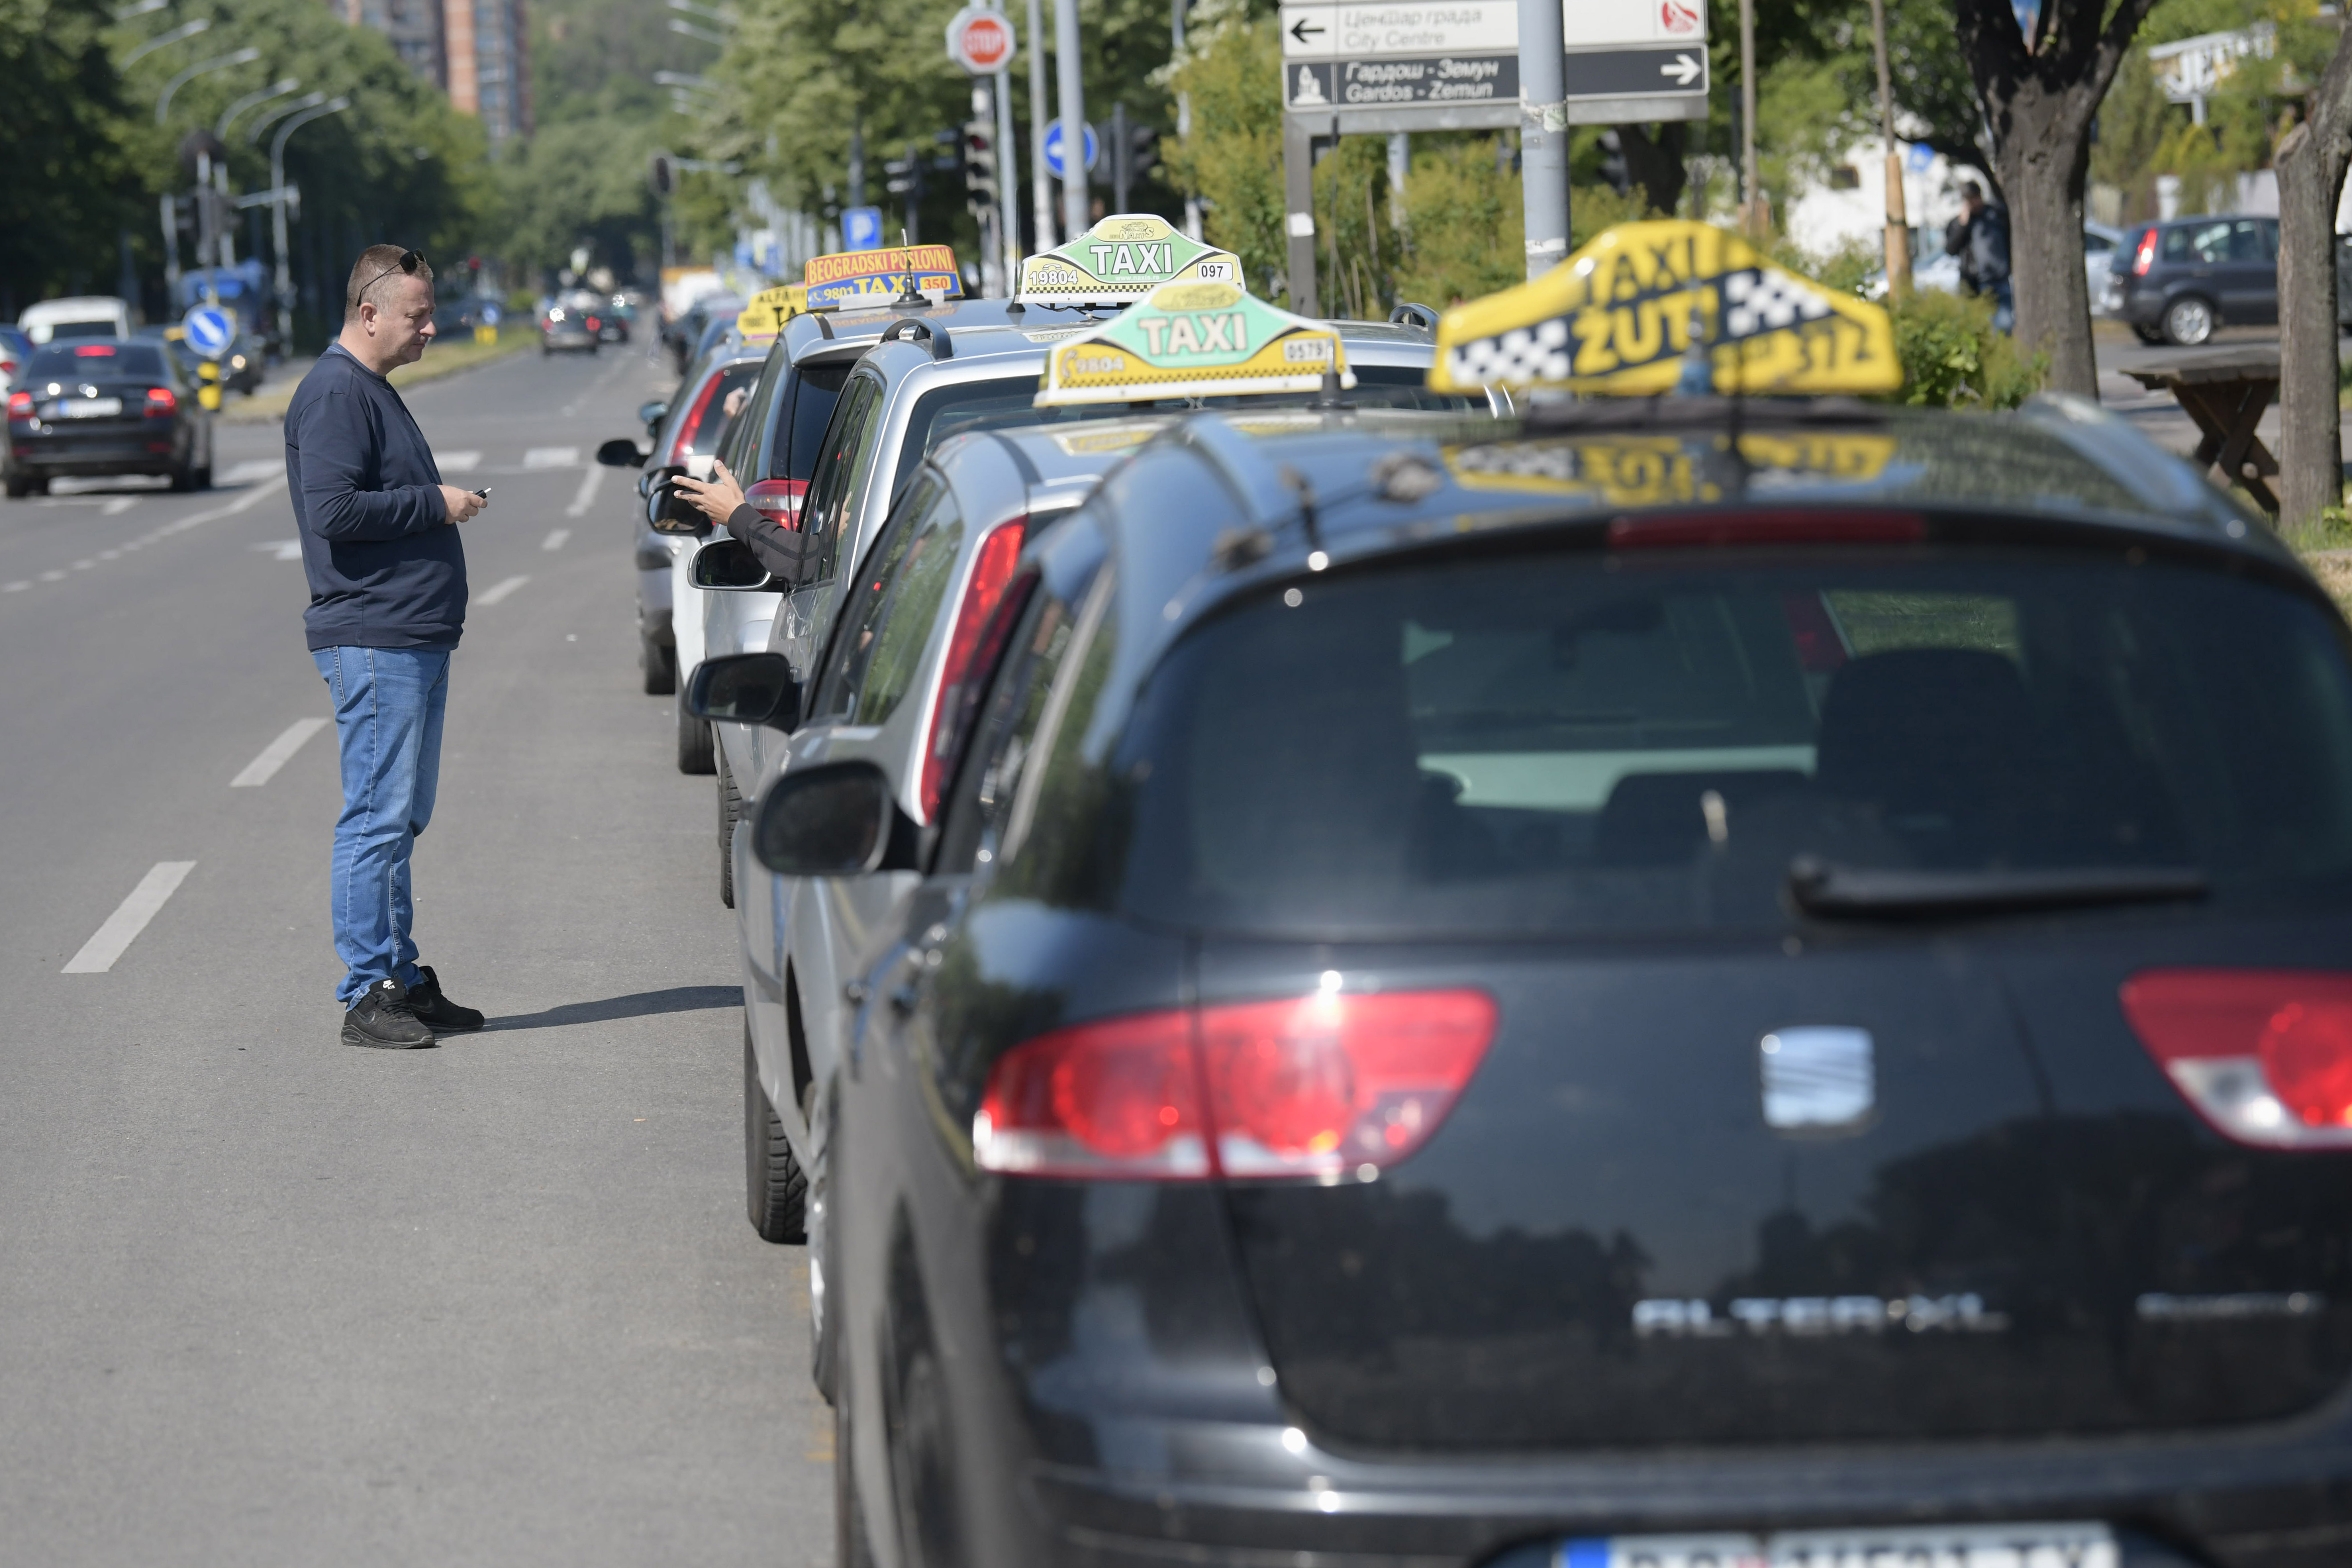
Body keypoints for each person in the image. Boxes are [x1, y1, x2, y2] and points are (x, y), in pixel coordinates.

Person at [283, 245, 489, 1050]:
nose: (431, 329)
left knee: (400, 819)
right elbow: (334, 510)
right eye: (418, 315)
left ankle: (400, 976)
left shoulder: (365, 389)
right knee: (376, 819)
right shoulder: (336, 391)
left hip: (408, 635)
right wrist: (435, 504)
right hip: (375, 635)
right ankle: (367, 990)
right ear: (369, 313)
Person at [1945, 181, 2014, 333]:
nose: (1973, 203)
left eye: (1975, 198)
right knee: (1980, 330)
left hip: (1999, 280)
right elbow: (1951, 250)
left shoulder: (1996, 215)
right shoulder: (1959, 223)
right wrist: (1962, 225)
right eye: (1969, 200)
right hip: (1974, 284)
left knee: (2005, 326)